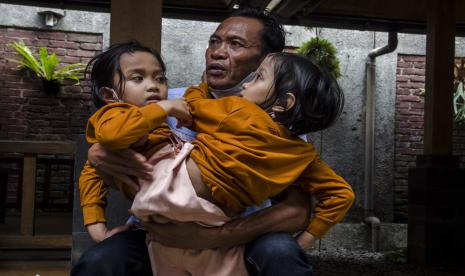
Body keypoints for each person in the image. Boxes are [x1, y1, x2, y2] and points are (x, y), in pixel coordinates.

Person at [72, 7, 345, 276]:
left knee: (280, 252)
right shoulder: (166, 100)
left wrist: (216, 237)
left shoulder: (285, 128)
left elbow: (297, 210)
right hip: (156, 229)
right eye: (214, 41)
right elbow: (106, 140)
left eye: (235, 44)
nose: (217, 51)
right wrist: (98, 153)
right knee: (101, 260)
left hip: (240, 231)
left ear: (265, 58)